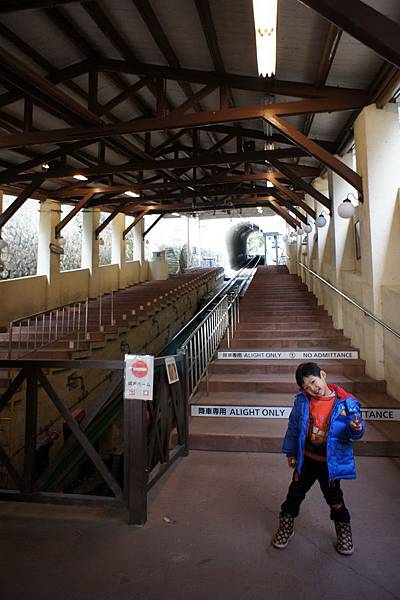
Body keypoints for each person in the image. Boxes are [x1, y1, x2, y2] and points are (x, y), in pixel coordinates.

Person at [271, 362, 365, 555]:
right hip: (306, 460)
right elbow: (294, 428)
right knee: (294, 495)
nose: (313, 389)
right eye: (306, 387)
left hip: (329, 466)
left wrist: (355, 428)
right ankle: (286, 526)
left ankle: (344, 532)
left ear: (323, 375)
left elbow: (352, 433)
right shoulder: (302, 402)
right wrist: (291, 453)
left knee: (335, 499)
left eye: (314, 382)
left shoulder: (346, 403)